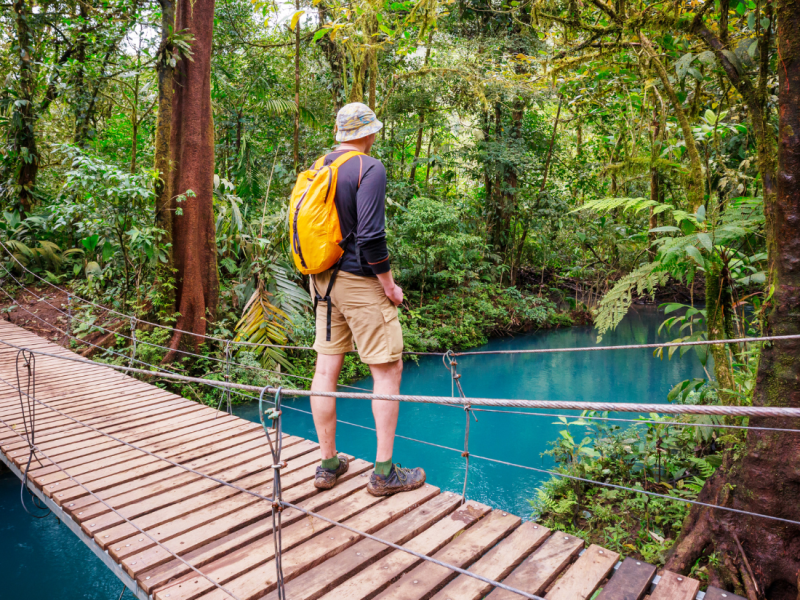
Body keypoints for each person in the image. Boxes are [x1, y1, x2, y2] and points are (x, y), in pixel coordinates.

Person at [309, 102, 426, 496]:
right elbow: (372, 236)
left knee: (326, 371)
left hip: (322, 280)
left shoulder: (321, 165)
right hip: (359, 282)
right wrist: (389, 286)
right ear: (366, 133)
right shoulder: (368, 167)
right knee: (387, 372)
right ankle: (383, 474)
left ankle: (328, 466)